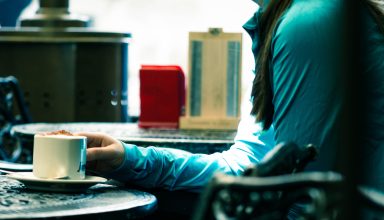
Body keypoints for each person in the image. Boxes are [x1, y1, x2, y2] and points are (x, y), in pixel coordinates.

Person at [78, 0, 384, 192]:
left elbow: (305, 197)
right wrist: (130, 159)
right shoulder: (280, 20)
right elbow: (246, 165)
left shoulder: (311, 21)